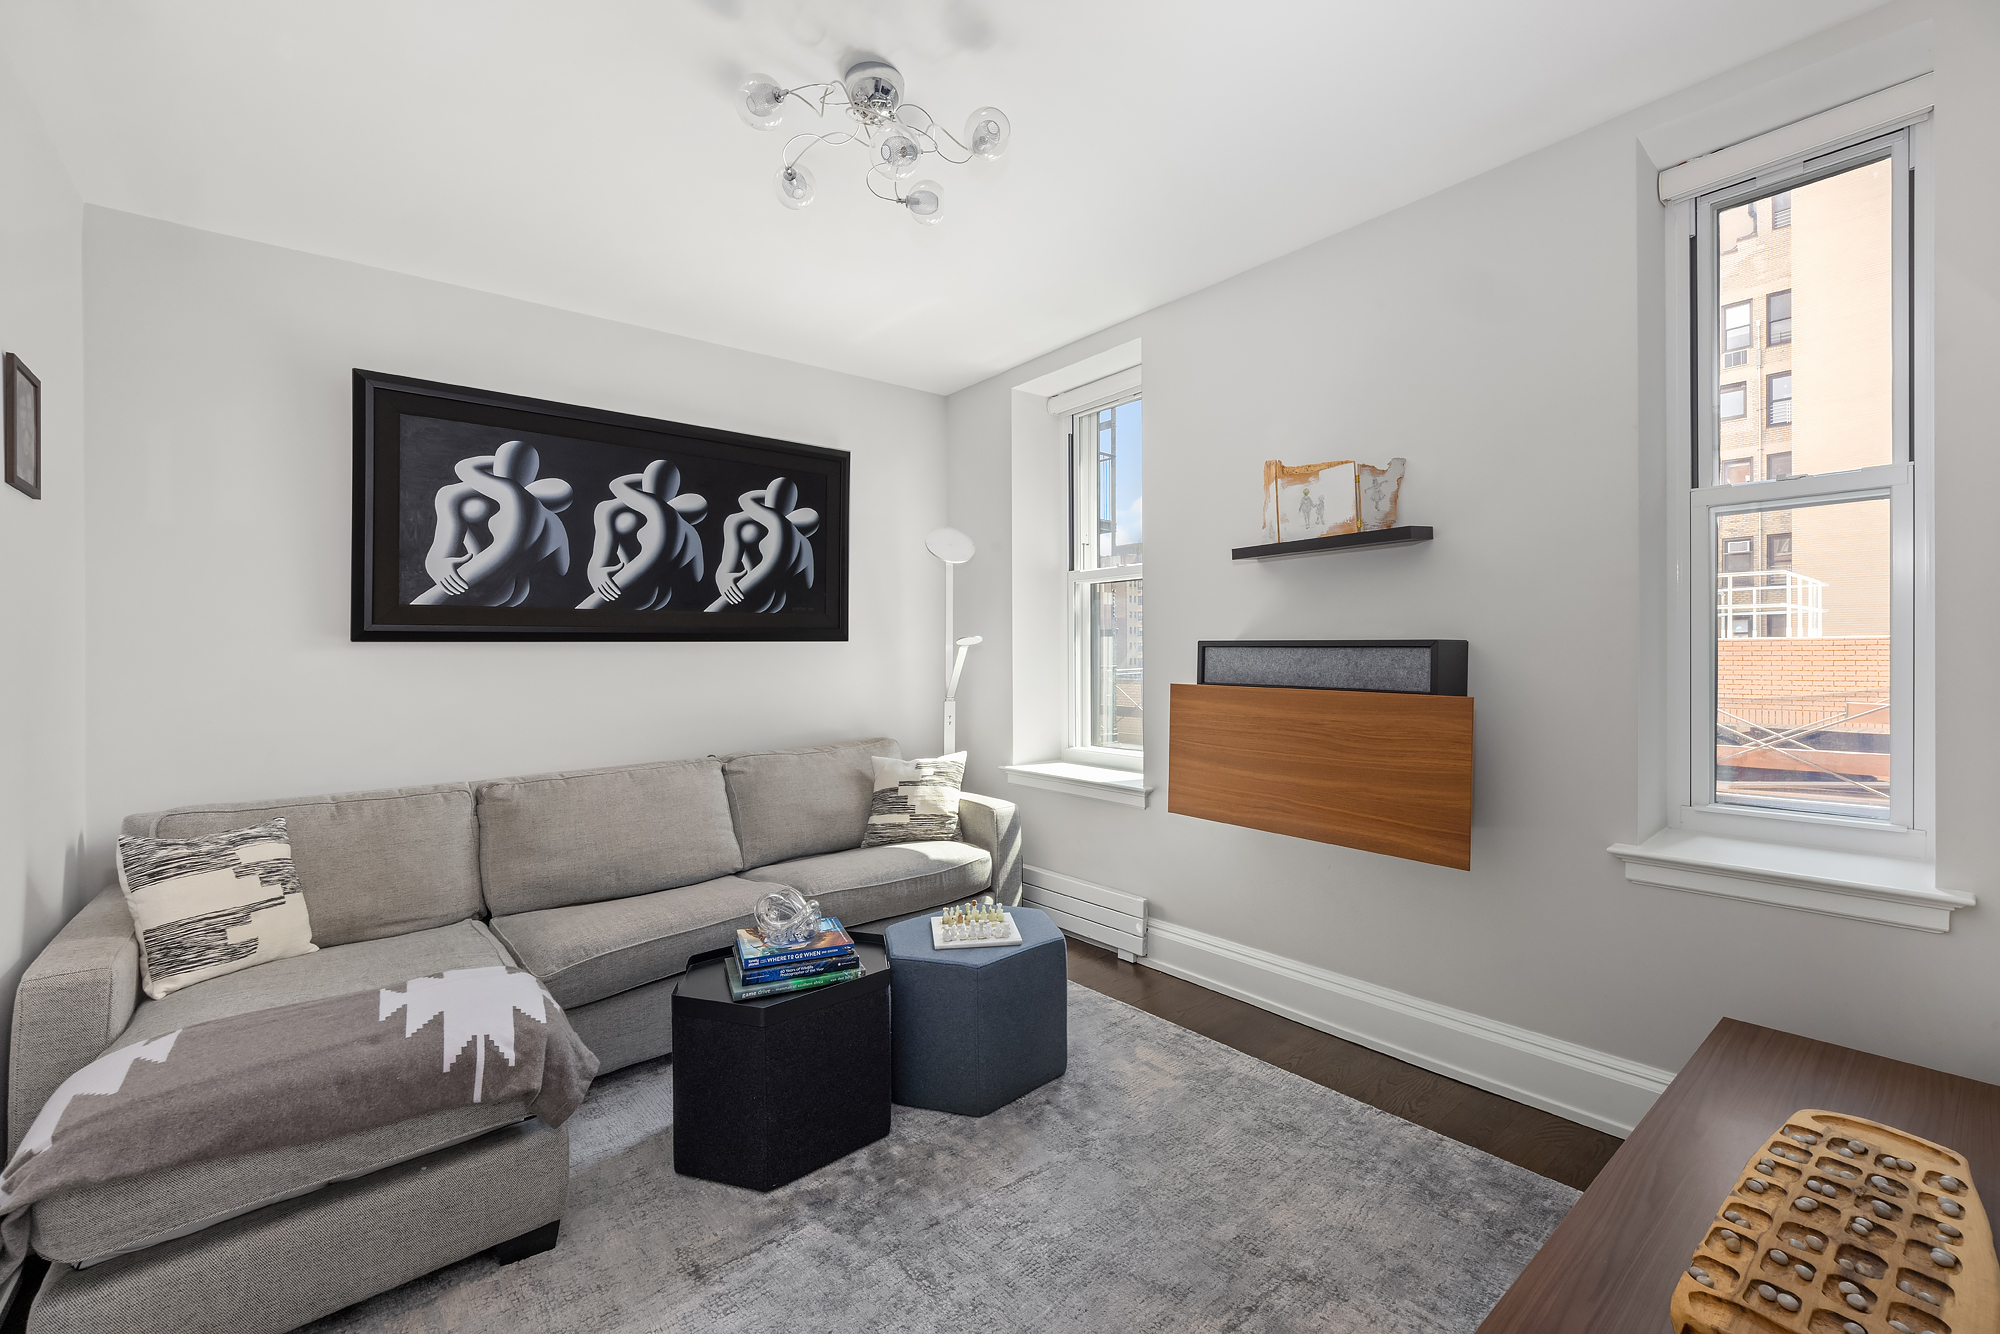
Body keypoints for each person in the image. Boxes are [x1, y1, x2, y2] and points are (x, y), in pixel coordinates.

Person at [413, 440, 574, 606]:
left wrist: (496, 461)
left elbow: (462, 468)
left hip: (483, 570)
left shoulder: (513, 493)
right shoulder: (554, 523)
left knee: (433, 604)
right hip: (516, 586)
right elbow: (562, 569)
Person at [575, 459, 707, 610]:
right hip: (660, 592)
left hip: (633, 580)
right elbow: (697, 576)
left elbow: (616, 485)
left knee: (584, 614)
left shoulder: (657, 508)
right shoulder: (691, 533)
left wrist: (643, 478)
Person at [704, 477, 819, 613]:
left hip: (753, 586)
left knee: (710, 617)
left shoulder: (778, 521)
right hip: (777, 598)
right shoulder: (804, 544)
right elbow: (807, 584)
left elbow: (744, 500)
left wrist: (767, 493)